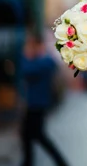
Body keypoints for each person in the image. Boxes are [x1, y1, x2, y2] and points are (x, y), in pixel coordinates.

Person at [20, 35, 68, 166]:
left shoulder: (45, 61)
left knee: (38, 136)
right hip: (34, 104)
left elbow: (26, 70)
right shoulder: (41, 61)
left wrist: (26, 56)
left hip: (38, 104)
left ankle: (60, 162)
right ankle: (28, 162)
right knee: (29, 135)